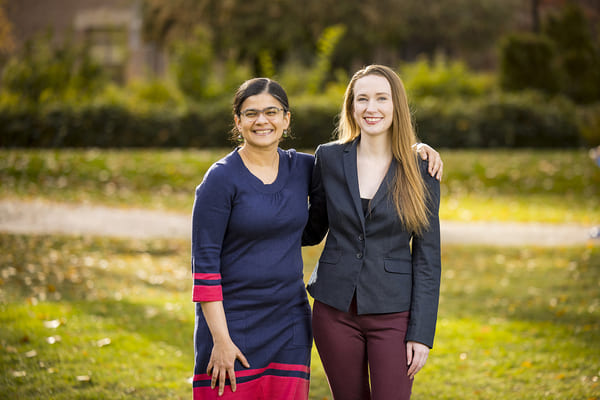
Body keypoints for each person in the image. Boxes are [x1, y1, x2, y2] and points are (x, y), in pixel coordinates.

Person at [191, 77, 442, 399]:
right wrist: (221, 339)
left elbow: (426, 257)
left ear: (286, 118)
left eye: (271, 111)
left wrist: (417, 149)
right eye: (251, 113)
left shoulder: (317, 166)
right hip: (276, 313)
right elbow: (209, 261)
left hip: (311, 317)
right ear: (237, 120)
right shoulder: (227, 177)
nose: (262, 121)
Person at [303, 65, 442, 400]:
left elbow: (427, 258)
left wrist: (421, 334)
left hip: (394, 313)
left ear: (397, 106)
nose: (371, 107)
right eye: (361, 99)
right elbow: (311, 228)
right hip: (334, 310)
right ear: (351, 106)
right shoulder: (330, 158)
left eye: (381, 98)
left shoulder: (422, 168)